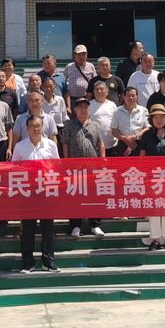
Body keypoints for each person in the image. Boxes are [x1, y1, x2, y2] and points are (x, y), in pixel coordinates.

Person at [12, 114, 61, 273]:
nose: (36, 129)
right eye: (32, 126)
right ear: (27, 128)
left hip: (46, 192)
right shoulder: (20, 146)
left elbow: (57, 166)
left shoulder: (51, 145)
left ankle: (48, 262)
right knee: (28, 229)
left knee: (48, 229)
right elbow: (14, 168)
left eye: (38, 126)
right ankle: (28, 263)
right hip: (28, 194)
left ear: (43, 127)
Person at [60, 98, 105, 238]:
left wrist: (103, 160)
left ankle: (95, 225)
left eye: (85, 107)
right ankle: (75, 225)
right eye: (80, 107)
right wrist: (66, 162)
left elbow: (100, 143)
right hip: (75, 167)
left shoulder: (95, 125)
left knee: (94, 195)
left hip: (93, 167)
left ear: (89, 110)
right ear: (75, 110)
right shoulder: (69, 125)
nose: (83, 110)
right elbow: (65, 144)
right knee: (75, 196)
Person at [138, 105, 165, 251]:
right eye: (155, 117)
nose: (159, 119)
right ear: (151, 120)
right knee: (154, 207)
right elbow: (142, 157)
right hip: (152, 177)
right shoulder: (146, 135)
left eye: (161, 116)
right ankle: (155, 239)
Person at [110, 87, 148, 156]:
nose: (131, 98)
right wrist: (124, 139)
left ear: (137, 97)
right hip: (123, 144)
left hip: (139, 144)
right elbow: (114, 130)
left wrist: (135, 136)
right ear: (124, 97)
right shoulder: (117, 111)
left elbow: (148, 127)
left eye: (133, 95)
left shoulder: (143, 110)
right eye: (128, 95)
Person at [88, 81, 118, 155]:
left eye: (101, 89)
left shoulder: (112, 105)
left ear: (107, 91)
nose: (99, 91)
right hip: (95, 146)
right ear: (93, 92)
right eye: (97, 89)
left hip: (112, 144)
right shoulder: (89, 105)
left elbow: (117, 122)